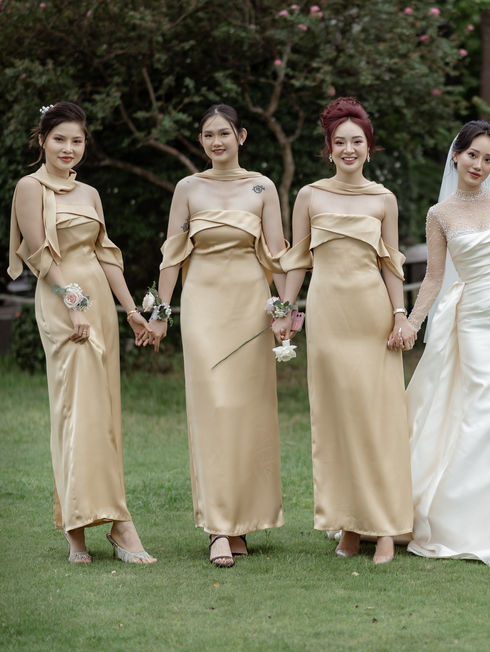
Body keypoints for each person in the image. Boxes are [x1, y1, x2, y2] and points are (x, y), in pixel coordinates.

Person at [7, 101, 156, 564]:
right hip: (62, 305)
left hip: (99, 307)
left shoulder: (90, 192)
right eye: (59, 139)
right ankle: (77, 529)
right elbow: (39, 255)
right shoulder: (30, 188)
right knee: (74, 411)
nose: (68, 148)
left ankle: (116, 523)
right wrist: (74, 305)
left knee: (103, 413)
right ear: (42, 141)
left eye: (77, 140)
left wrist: (131, 310)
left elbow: (106, 255)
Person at [147, 104, 287, 568]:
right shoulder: (188, 188)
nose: (216, 142)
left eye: (224, 133)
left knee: (247, 410)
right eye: (208, 135)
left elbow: (277, 253)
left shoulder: (262, 187)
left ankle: (241, 523)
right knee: (214, 408)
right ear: (201, 141)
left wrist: (284, 308)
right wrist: (160, 313)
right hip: (203, 306)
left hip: (250, 305)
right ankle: (217, 528)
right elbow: (172, 254)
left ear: (241, 136)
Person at [274, 97, 412, 564]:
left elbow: (391, 264)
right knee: (336, 422)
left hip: (371, 317)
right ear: (329, 149)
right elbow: (297, 261)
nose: (348, 149)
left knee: (376, 422)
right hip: (328, 316)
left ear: (369, 148)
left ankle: (385, 529)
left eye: (357, 141)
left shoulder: (383, 199)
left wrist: (400, 315)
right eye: (340, 142)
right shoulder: (310, 196)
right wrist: (284, 310)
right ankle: (349, 526)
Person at [401, 121, 490, 566]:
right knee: (481, 418)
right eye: (473, 154)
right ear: (456, 155)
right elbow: (434, 278)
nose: (479, 164)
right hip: (475, 321)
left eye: (488, 158)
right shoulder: (440, 215)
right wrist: (412, 323)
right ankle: (478, 520)